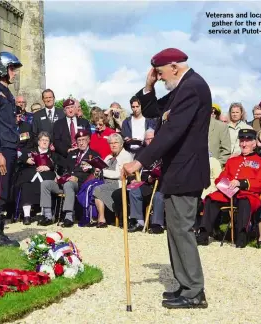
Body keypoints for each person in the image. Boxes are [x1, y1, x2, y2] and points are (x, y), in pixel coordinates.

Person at [122, 48, 210, 309]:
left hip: (188, 170)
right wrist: (148, 86)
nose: (158, 77)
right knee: (175, 230)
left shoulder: (192, 87)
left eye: (159, 73)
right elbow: (156, 112)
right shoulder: (182, 87)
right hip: (177, 171)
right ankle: (184, 285)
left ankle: (194, 291)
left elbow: (170, 131)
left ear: (174, 66)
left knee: (182, 230)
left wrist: (140, 161)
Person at [197, 129, 261, 248]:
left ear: (254, 144)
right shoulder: (232, 161)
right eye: (242, 141)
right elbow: (219, 178)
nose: (244, 144)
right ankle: (204, 233)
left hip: (248, 195)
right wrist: (226, 183)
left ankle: (241, 236)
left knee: (244, 201)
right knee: (212, 198)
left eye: (247, 141)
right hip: (229, 193)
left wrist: (241, 183)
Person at [0, 51, 23, 247]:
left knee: (5, 191)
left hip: (10, 147)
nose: (14, 73)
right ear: (2, 70)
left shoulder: (6, 93)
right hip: (2, 150)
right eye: (11, 69)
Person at [39, 130, 100, 227]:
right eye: (79, 140)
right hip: (66, 181)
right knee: (45, 184)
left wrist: (77, 178)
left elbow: (94, 174)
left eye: (83, 140)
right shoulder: (72, 154)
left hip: (80, 184)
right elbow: (65, 169)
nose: (81, 142)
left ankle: (68, 217)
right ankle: (47, 216)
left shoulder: (94, 155)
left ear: (88, 140)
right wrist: (59, 177)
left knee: (69, 185)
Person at [14, 132, 57, 225]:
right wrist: (26, 160)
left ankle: (43, 214)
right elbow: (19, 158)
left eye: (47, 140)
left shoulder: (53, 154)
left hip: (45, 176)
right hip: (30, 176)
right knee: (26, 185)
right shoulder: (30, 151)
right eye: (42, 140)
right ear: (38, 142)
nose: (44, 142)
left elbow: (58, 165)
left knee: (45, 184)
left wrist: (48, 167)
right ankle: (26, 216)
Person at [127, 129, 165, 234]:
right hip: (144, 182)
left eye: (152, 139)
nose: (150, 141)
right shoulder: (141, 152)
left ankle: (157, 224)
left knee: (158, 196)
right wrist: (132, 179)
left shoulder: (163, 151)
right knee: (134, 189)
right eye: (147, 139)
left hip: (160, 184)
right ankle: (139, 222)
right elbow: (133, 167)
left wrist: (155, 177)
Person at [92, 133, 133, 227]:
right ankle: (95, 217)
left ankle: (103, 218)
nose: (113, 145)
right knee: (93, 187)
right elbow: (101, 169)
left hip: (119, 183)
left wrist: (103, 172)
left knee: (98, 189)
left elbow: (120, 174)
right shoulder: (109, 156)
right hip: (106, 182)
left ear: (121, 144)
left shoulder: (126, 156)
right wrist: (97, 171)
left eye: (116, 142)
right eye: (111, 143)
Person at [53, 98, 90, 164]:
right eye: (67, 108)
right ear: (64, 111)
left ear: (75, 108)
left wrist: (81, 147)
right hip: (65, 158)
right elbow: (56, 141)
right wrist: (67, 150)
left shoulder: (84, 122)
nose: (70, 110)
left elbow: (89, 138)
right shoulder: (58, 124)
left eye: (72, 107)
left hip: (83, 156)